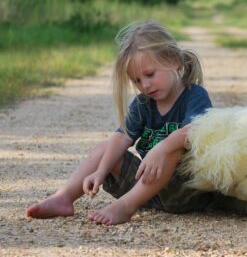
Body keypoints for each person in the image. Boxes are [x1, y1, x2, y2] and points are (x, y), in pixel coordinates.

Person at [26, 20, 213, 225]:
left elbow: (195, 130)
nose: (145, 85)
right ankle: (63, 197)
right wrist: (101, 170)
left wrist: (162, 148)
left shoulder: (194, 95)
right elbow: (122, 136)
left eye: (150, 74)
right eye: (137, 80)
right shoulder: (144, 103)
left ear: (174, 61)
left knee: (174, 149)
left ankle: (125, 207)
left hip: (185, 192)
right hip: (146, 189)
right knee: (105, 148)